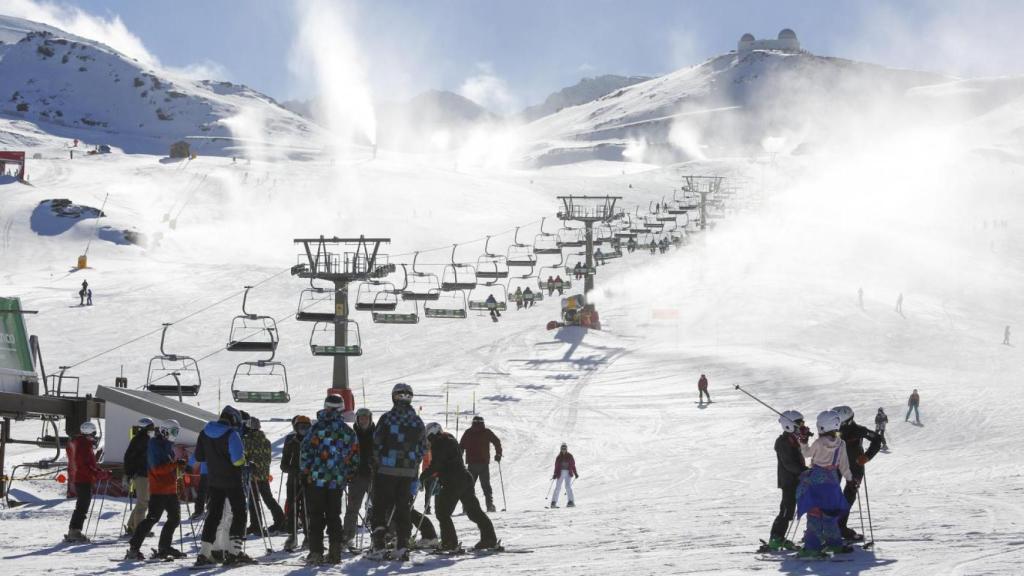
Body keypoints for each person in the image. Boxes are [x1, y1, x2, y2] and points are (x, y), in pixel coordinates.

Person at [300, 394, 359, 564]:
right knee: (334, 515)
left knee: (316, 515)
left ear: (325, 406)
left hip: (317, 480)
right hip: (336, 480)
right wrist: (348, 474)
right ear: (342, 408)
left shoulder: (316, 429)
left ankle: (316, 552)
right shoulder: (347, 431)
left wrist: (305, 472)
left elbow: (305, 451)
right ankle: (335, 553)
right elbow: (354, 455)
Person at [369, 383, 425, 560]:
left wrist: (377, 462)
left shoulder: (387, 418)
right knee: (403, 508)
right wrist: (413, 463)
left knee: (380, 505)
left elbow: (376, 442)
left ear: (393, 397)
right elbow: (423, 447)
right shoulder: (417, 421)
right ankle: (402, 545)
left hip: (386, 470)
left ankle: (378, 544)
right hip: (407, 472)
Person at [422, 422, 497, 551]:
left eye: (428, 437)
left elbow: (436, 464)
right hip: (464, 478)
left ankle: (449, 543)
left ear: (433, 433)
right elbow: (446, 462)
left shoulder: (439, 442)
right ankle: (489, 538)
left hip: (453, 481)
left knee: (442, 513)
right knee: (473, 511)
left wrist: (422, 477)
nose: (428, 441)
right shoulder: (449, 439)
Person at [193, 406, 254, 567]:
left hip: (214, 481)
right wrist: (246, 462)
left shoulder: (204, 432)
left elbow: (199, 456)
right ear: (233, 420)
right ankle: (234, 553)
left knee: (213, 515)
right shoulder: (231, 434)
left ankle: (204, 553)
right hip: (232, 481)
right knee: (240, 513)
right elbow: (237, 461)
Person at [125, 420, 185, 560]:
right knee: (152, 518)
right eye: (174, 432)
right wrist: (174, 465)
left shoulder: (168, 445)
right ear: (165, 431)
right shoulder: (154, 445)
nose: (176, 435)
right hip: (159, 489)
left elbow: (169, 465)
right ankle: (134, 547)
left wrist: (179, 468)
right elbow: (157, 470)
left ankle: (164, 547)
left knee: (174, 519)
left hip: (170, 489)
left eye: (177, 432)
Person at [796, 411, 853, 559]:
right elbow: (844, 465)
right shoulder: (841, 443)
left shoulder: (819, 442)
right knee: (830, 513)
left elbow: (807, 454)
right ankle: (834, 544)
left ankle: (812, 547)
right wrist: (850, 479)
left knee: (814, 512)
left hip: (817, 479)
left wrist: (803, 441)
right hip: (832, 480)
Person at [832, 406, 882, 541]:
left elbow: (877, 439)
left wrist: (867, 456)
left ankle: (840, 527)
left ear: (847, 421)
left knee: (849, 496)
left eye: (838, 421)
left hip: (855, 467)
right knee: (829, 494)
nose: (835, 423)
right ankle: (824, 527)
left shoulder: (859, 430)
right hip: (836, 465)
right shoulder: (834, 431)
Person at [763, 410, 810, 552]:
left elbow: (802, 454)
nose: (802, 426)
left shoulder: (793, 439)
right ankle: (776, 537)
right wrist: (804, 471)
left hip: (795, 479)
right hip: (789, 480)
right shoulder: (783, 442)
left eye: (803, 423)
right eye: (799, 424)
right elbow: (789, 463)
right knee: (786, 509)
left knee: (789, 509)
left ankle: (779, 537)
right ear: (789, 426)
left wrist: (804, 440)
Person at [65, 421, 111, 543]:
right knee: (82, 506)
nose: (95, 436)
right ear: (88, 432)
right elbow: (83, 466)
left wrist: (98, 470)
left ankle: (74, 530)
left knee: (81, 505)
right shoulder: (83, 445)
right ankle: (75, 531)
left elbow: (88, 464)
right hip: (83, 478)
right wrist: (97, 474)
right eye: (94, 433)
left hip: (81, 478)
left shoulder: (80, 443)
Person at [243, 416, 285, 535]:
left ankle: (256, 525)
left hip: (252, 475)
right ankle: (280, 519)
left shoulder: (246, 440)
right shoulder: (266, 440)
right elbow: (268, 459)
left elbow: (244, 457)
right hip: (264, 474)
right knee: (268, 498)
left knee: (253, 501)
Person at [342, 408, 374, 547]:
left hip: (374, 475)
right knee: (353, 507)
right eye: (361, 418)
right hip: (357, 476)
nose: (364, 420)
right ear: (357, 419)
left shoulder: (377, 433)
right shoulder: (351, 434)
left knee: (379, 507)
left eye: (366, 417)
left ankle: (381, 537)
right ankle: (348, 535)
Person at [459, 415, 503, 513]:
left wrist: (459, 459)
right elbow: (497, 441)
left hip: (471, 464)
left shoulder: (468, 432)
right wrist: (498, 454)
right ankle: (490, 506)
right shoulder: (486, 432)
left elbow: (461, 447)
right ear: (482, 423)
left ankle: (467, 508)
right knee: (486, 486)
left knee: (469, 486)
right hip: (483, 464)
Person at [281, 415, 311, 552]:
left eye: (306, 427)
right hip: (293, 479)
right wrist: (295, 470)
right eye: (301, 427)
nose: (303, 430)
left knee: (307, 508)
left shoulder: (312, 440)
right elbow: (283, 465)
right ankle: (292, 536)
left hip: (309, 479)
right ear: (296, 428)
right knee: (293, 507)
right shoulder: (290, 441)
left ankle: (308, 536)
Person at [123, 417, 155, 536]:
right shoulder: (142, 440)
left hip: (143, 473)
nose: (153, 430)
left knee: (142, 501)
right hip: (142, 474)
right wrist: (129, 473)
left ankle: (132, 525)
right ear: (144, 428)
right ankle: (139, 530)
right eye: (150, 427)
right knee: (143, 503)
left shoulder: (142, 439)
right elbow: (129, 458)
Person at [550, 443, 578, 508]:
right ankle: (553, 502)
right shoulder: (558, 457)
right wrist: (555, 474)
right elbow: (556, 467)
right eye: (562, 448)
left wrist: (575, 473)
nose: (563, 450)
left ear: (566, 449)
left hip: (568, 472)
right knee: (558, 487)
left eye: (565, 448)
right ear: (561, 449)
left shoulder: (570, 456)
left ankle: (571, 501)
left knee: (568, 486)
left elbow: (573, 465)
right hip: (560, 473)